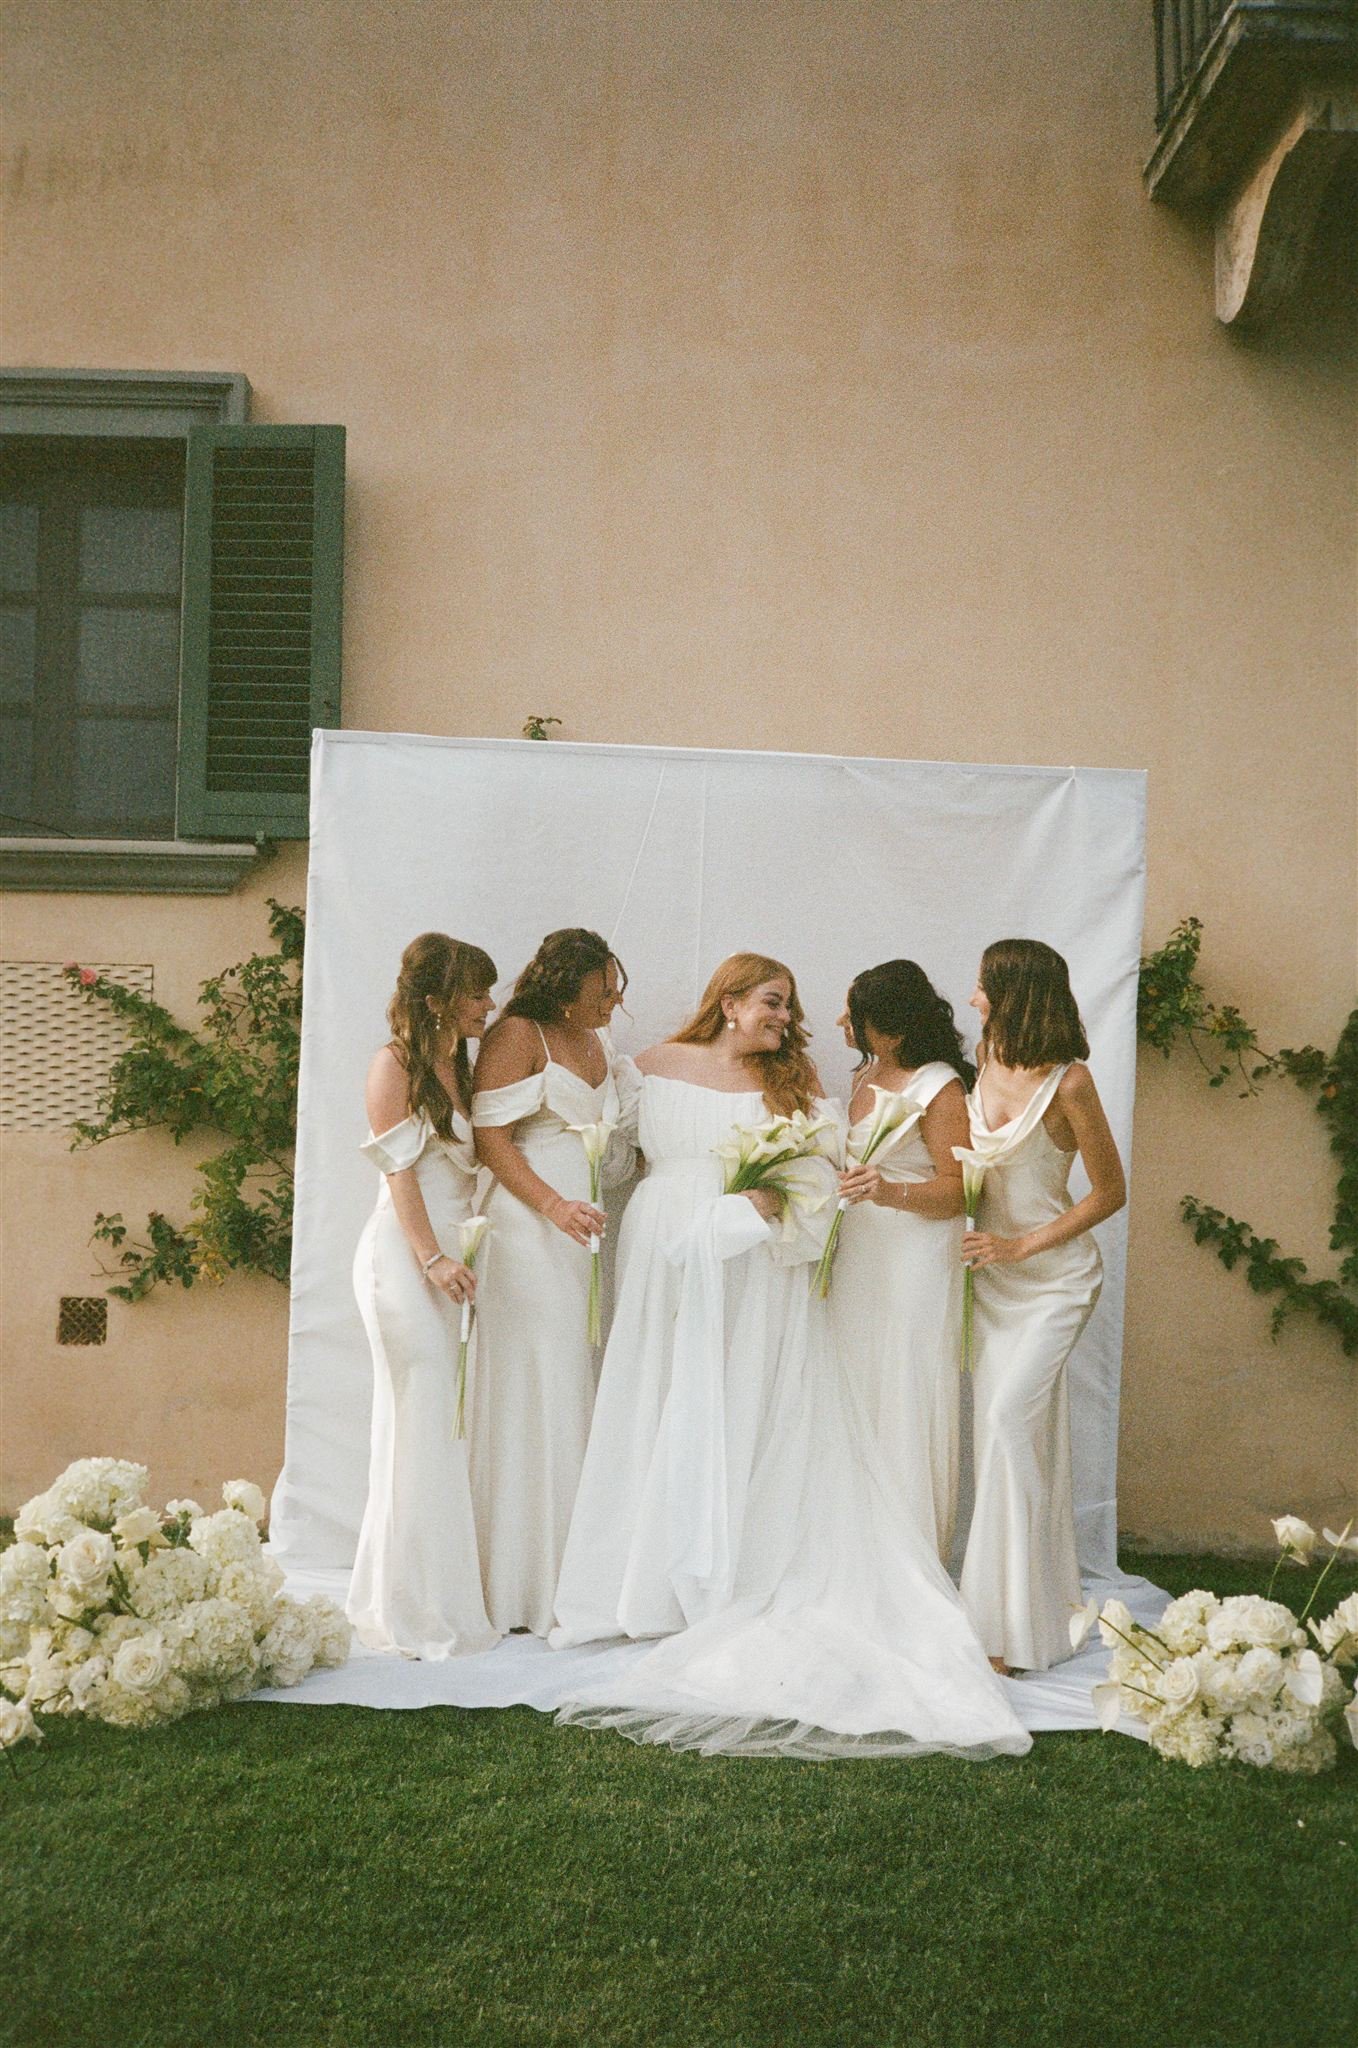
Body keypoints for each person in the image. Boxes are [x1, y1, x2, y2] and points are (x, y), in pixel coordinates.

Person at [552, 953, 1030, 1763]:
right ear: (729, 1001)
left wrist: (770, 1200)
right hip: (668, 1246)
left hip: (758, 1266)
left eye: (792, 1006)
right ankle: (644, 1583)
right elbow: (621, 1162)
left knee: (749, 1403)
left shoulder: (798, 1081)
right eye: (772, 1002)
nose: (785, 1017)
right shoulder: (652, 1068)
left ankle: (739, 1565)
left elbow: (819, 1171)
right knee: (658, 1399)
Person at [958, 938, 1126, 1675]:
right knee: (1011, 1437)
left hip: (1054, 1282)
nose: (973, 998)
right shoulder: (987, 1055)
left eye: (983, 986)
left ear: (1014, 990)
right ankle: (1019, 1609)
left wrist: (1023, 1247)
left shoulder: (1072, 1084)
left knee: (1005, 1423)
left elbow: (1110, 1192)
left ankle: (1016, 1631)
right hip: (988, 1283)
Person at [471, 927, 635, 1635]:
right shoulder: (518, 1034)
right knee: (534, 1383)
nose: (614, 1001)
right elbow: (491, 1139)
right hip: (530, 1227)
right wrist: (554, 1204)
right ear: (569, 986)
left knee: (574, 1378)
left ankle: (574, 1570)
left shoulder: (600, 1048)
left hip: (584, 1233)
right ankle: (516, 1582)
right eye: (604, 988)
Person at [347, 932, 499, 1660]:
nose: (489, 1007)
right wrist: (432, 1256)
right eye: (476, 994)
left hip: (448, 1257)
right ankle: (406, 1607)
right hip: (403, 1257)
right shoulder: (394, 1065)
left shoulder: (459, 1066)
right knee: (418, 1413)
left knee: (442, 1421)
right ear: (437, 1000)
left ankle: (434, 1592)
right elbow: (399, 1173)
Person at [829, 960, 972, 1559]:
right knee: (854, 1388)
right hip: (859, 1256)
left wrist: (889, 1192)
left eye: (855, 1016)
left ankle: (909, 1549)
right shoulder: (865, 1077)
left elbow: (963, 1188)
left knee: (906, 1388)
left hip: (915, 1256)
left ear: (888, 1028)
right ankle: (853, 1542)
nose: (843, 1023)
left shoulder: (940, 1086)